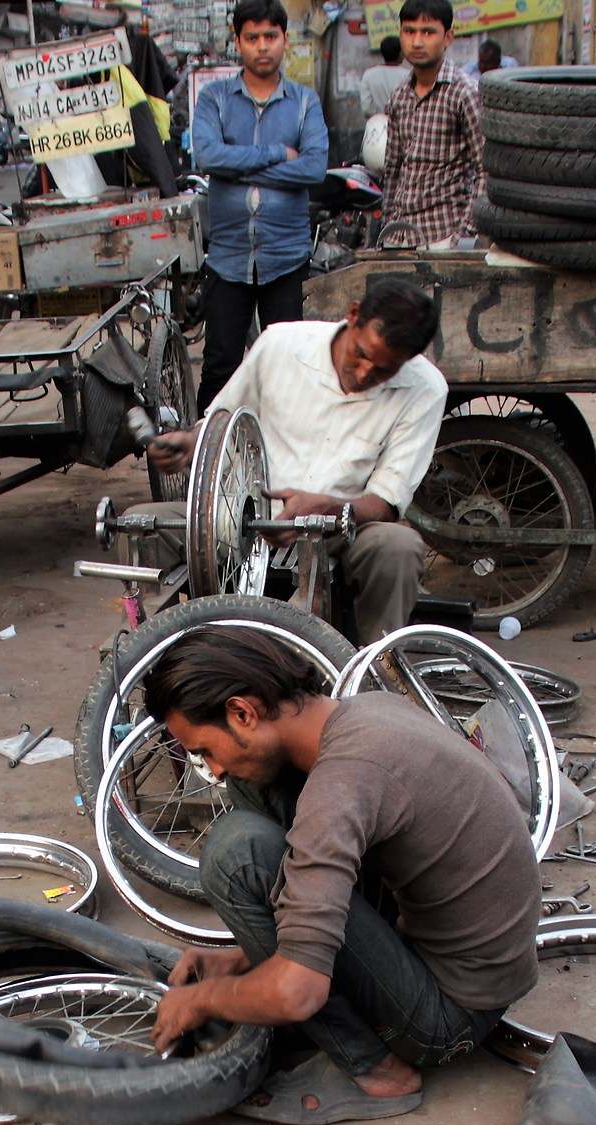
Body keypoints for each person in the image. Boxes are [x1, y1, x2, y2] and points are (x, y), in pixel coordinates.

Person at [142, 628, 539, 1125]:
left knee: (236, 854)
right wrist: (244, 958)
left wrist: (202, 1000)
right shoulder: (365, 712)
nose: (214, 770)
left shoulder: (341, 785)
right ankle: (293, 963)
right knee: (255, 784)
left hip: (450, 1016)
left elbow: (298, 992)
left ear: (243, 712)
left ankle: (376, 1070)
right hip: (459, 953)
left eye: (205, 750)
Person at [144, 278, 448, 645]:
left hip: (339, 531)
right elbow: (224, 421)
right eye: (361, 354)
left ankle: (376, 664)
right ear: (353, 315)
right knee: (143, 525)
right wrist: (191, 442)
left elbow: (384, 503)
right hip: (242, 517)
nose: (364, 374)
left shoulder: (425, 389)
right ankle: (152, 653)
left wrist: (327, 509)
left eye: (384, 370)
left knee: (398, 547)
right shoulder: (280, 345)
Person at [193, 0, 328, 412]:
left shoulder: (304, 101)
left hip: (286, 257)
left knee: (288, 370)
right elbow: (208, 156)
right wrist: (276, 153)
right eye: (252, 37)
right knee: (220, 366)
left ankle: (281, 447)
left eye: (271, 36)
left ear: (285, 39)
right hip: (228, 257)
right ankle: (208, 447)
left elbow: (313, 168)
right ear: (237, 42)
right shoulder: (215, 98)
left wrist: (237, 169)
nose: (262, 46)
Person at [381, 0, 483, 247]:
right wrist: (387, 229)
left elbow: (486, 172)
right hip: (399, 239)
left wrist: (461, 237)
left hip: (443, 236)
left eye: (428, 33)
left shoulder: (465, 93)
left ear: (448, 37)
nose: (417, 42)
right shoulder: (399, 96)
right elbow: (393, 170)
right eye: (409, 31)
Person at [359, 34, 408, 119]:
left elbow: (367, 109)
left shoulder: (369, 75)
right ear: (401, 53)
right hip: (401, 123)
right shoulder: (408, 76)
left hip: (378, 124)